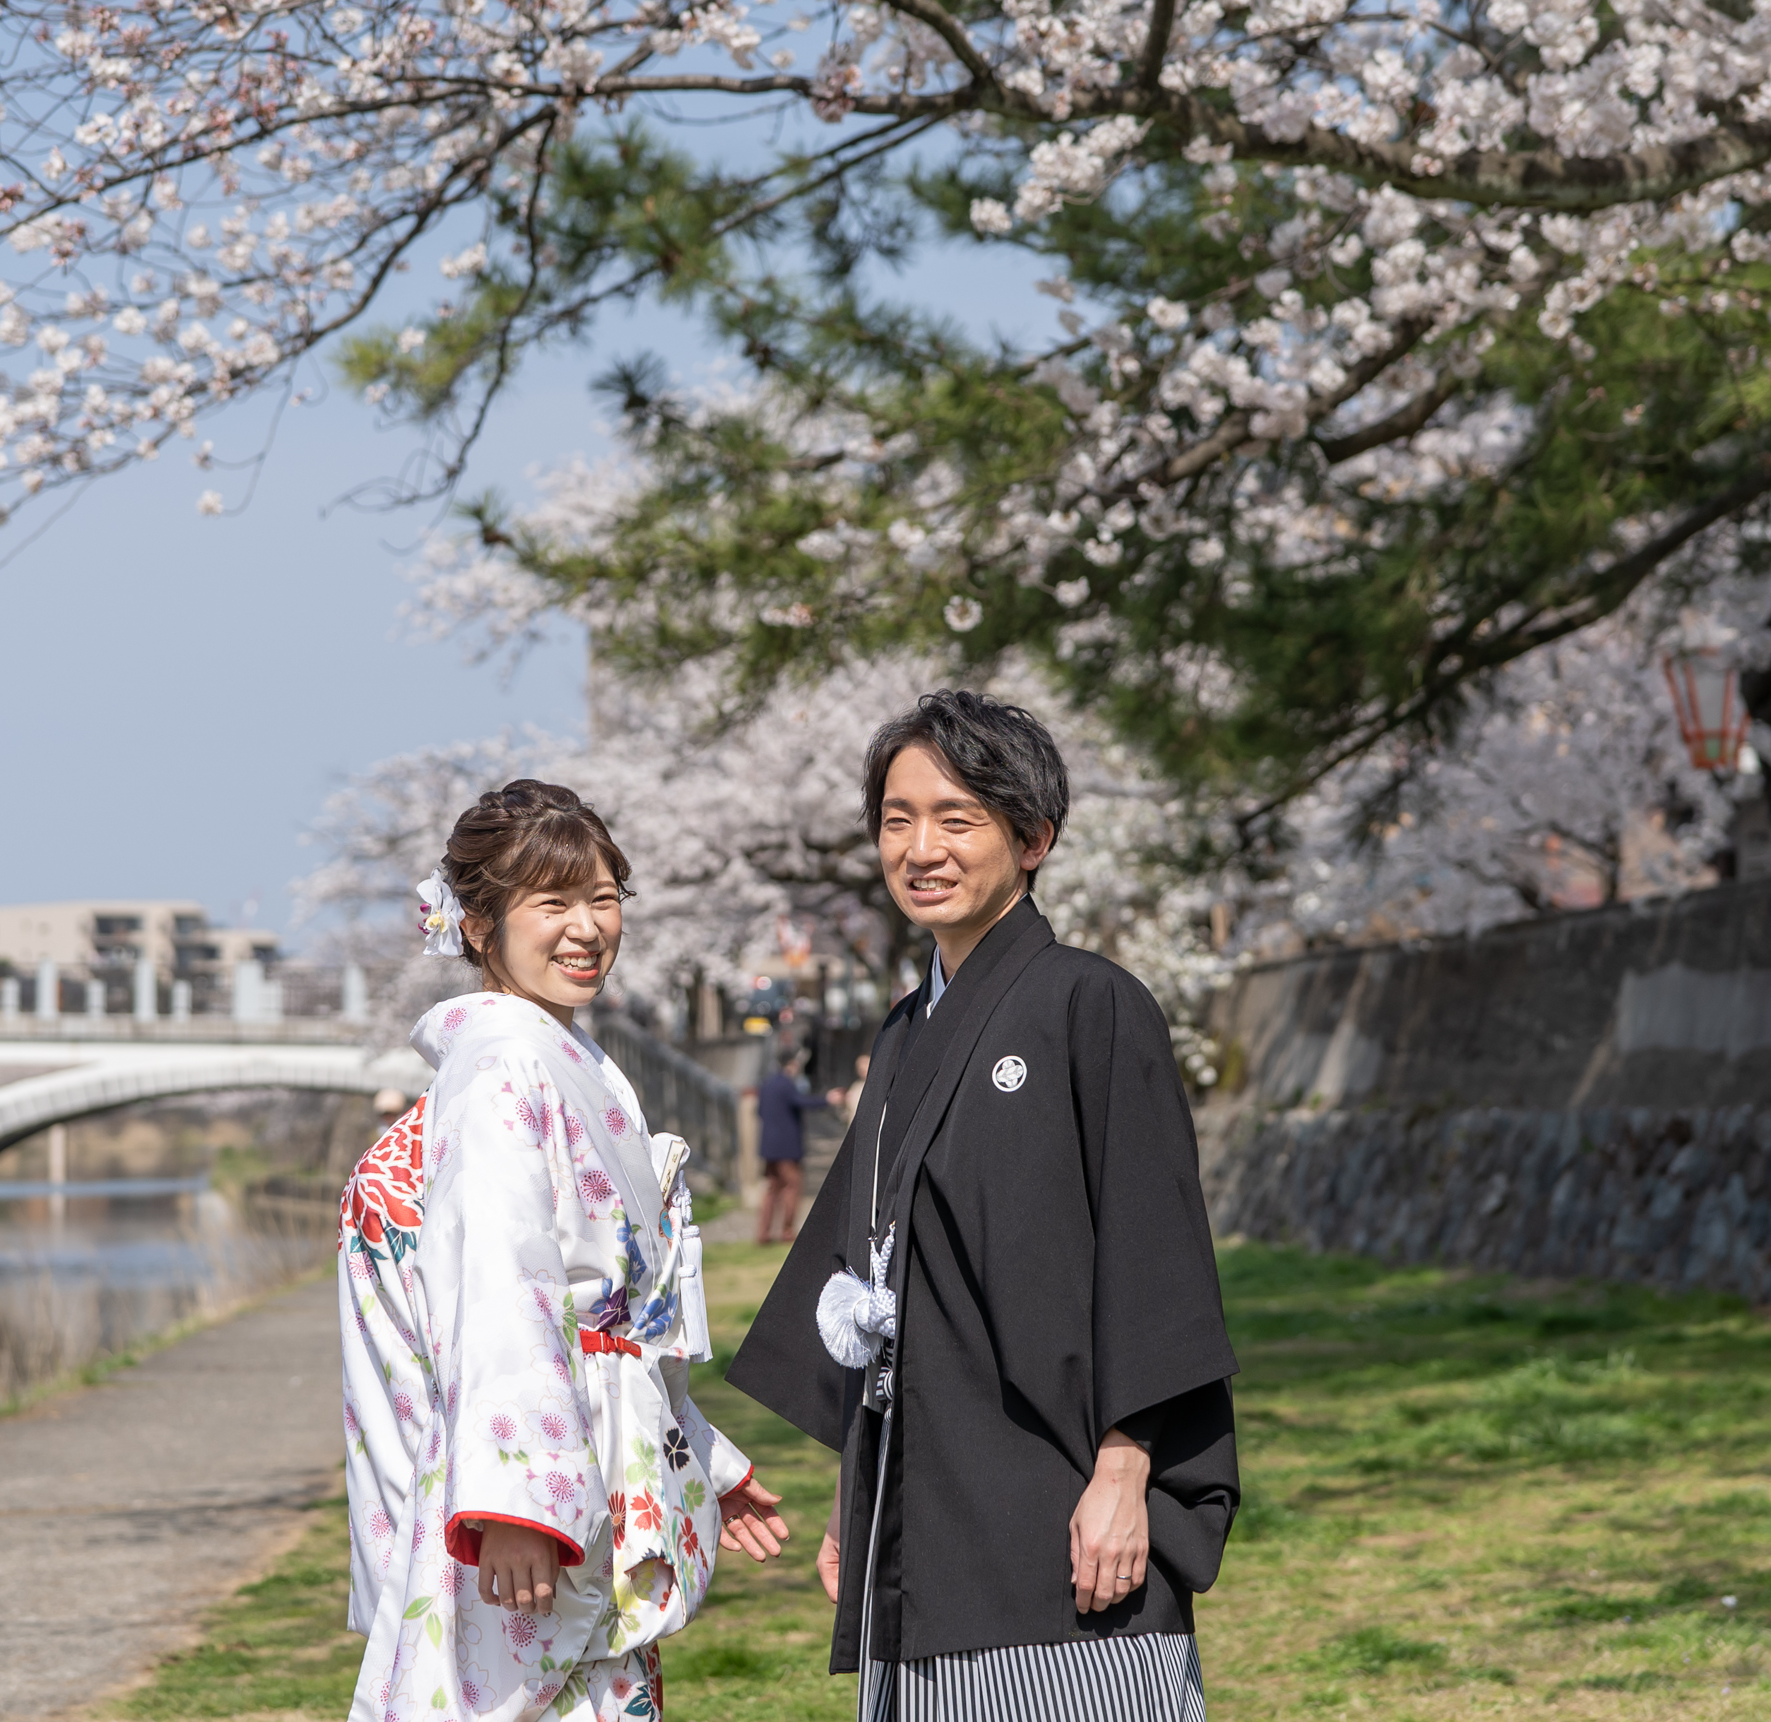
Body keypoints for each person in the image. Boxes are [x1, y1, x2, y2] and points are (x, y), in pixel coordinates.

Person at [728, 694, 1239, 1721]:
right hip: (923, 1511)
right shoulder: (907, 1033)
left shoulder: (1090, 1005)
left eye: (956, 819)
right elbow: (868, 1281)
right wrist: (857, 1500)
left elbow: (1154, 1257)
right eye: (898, 818)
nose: (921, 848)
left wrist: (1126, 1474)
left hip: (1057, 1500)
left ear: (1032, 837)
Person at [339, 779, 793, 1722]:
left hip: (576, 1464)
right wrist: (514, 1508)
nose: (586, 927)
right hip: (524, 1505)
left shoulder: (556, 1059)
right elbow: (502, 1292)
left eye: (602, 898)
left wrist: (700, 1454)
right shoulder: (504, 1065)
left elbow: (607, 1328)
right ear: (477, 926)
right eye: (552, 903)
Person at [753, 1044, 832, 1245]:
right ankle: (787, 1231)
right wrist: (827, 1099)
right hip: (786, 1147)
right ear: (792, 1064)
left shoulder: (767, 1084)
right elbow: (801, 1101)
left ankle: (763, 1232)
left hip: (769, 1147)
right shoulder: (787, 1084)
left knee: (772, 1189)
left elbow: (760, 1111)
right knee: (792, 1187)